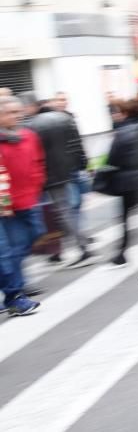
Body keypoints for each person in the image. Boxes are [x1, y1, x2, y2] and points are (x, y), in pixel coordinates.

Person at [21, 93, 92, 268]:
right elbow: (77, 143)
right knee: (65, 209)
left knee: (57, 212)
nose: (21, 112)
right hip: (66, 170)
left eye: (23, 108)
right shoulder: (63, 118)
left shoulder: (31, 126)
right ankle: (69, 247)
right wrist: (82, 162)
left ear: (31, 106)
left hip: (46, 174)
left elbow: (30, 154)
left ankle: (78, 248)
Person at [0, 96, 45, 316]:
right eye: (11, 113)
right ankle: (14, 296)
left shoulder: (29, 136)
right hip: (6, 207)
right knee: (7, 253)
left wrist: (36, 187)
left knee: (35, 235)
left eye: (19, 111)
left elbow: (37, 163)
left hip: (28, 200)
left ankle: (11, 290)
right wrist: (5, 204)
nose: (17, 115)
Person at [104, 99, 138, 266]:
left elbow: (113, 159)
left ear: (126, 113)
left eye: (117, 113)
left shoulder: (121, 133)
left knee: (126, 218)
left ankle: (121, 253)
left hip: (128, 183)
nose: (115, 116)